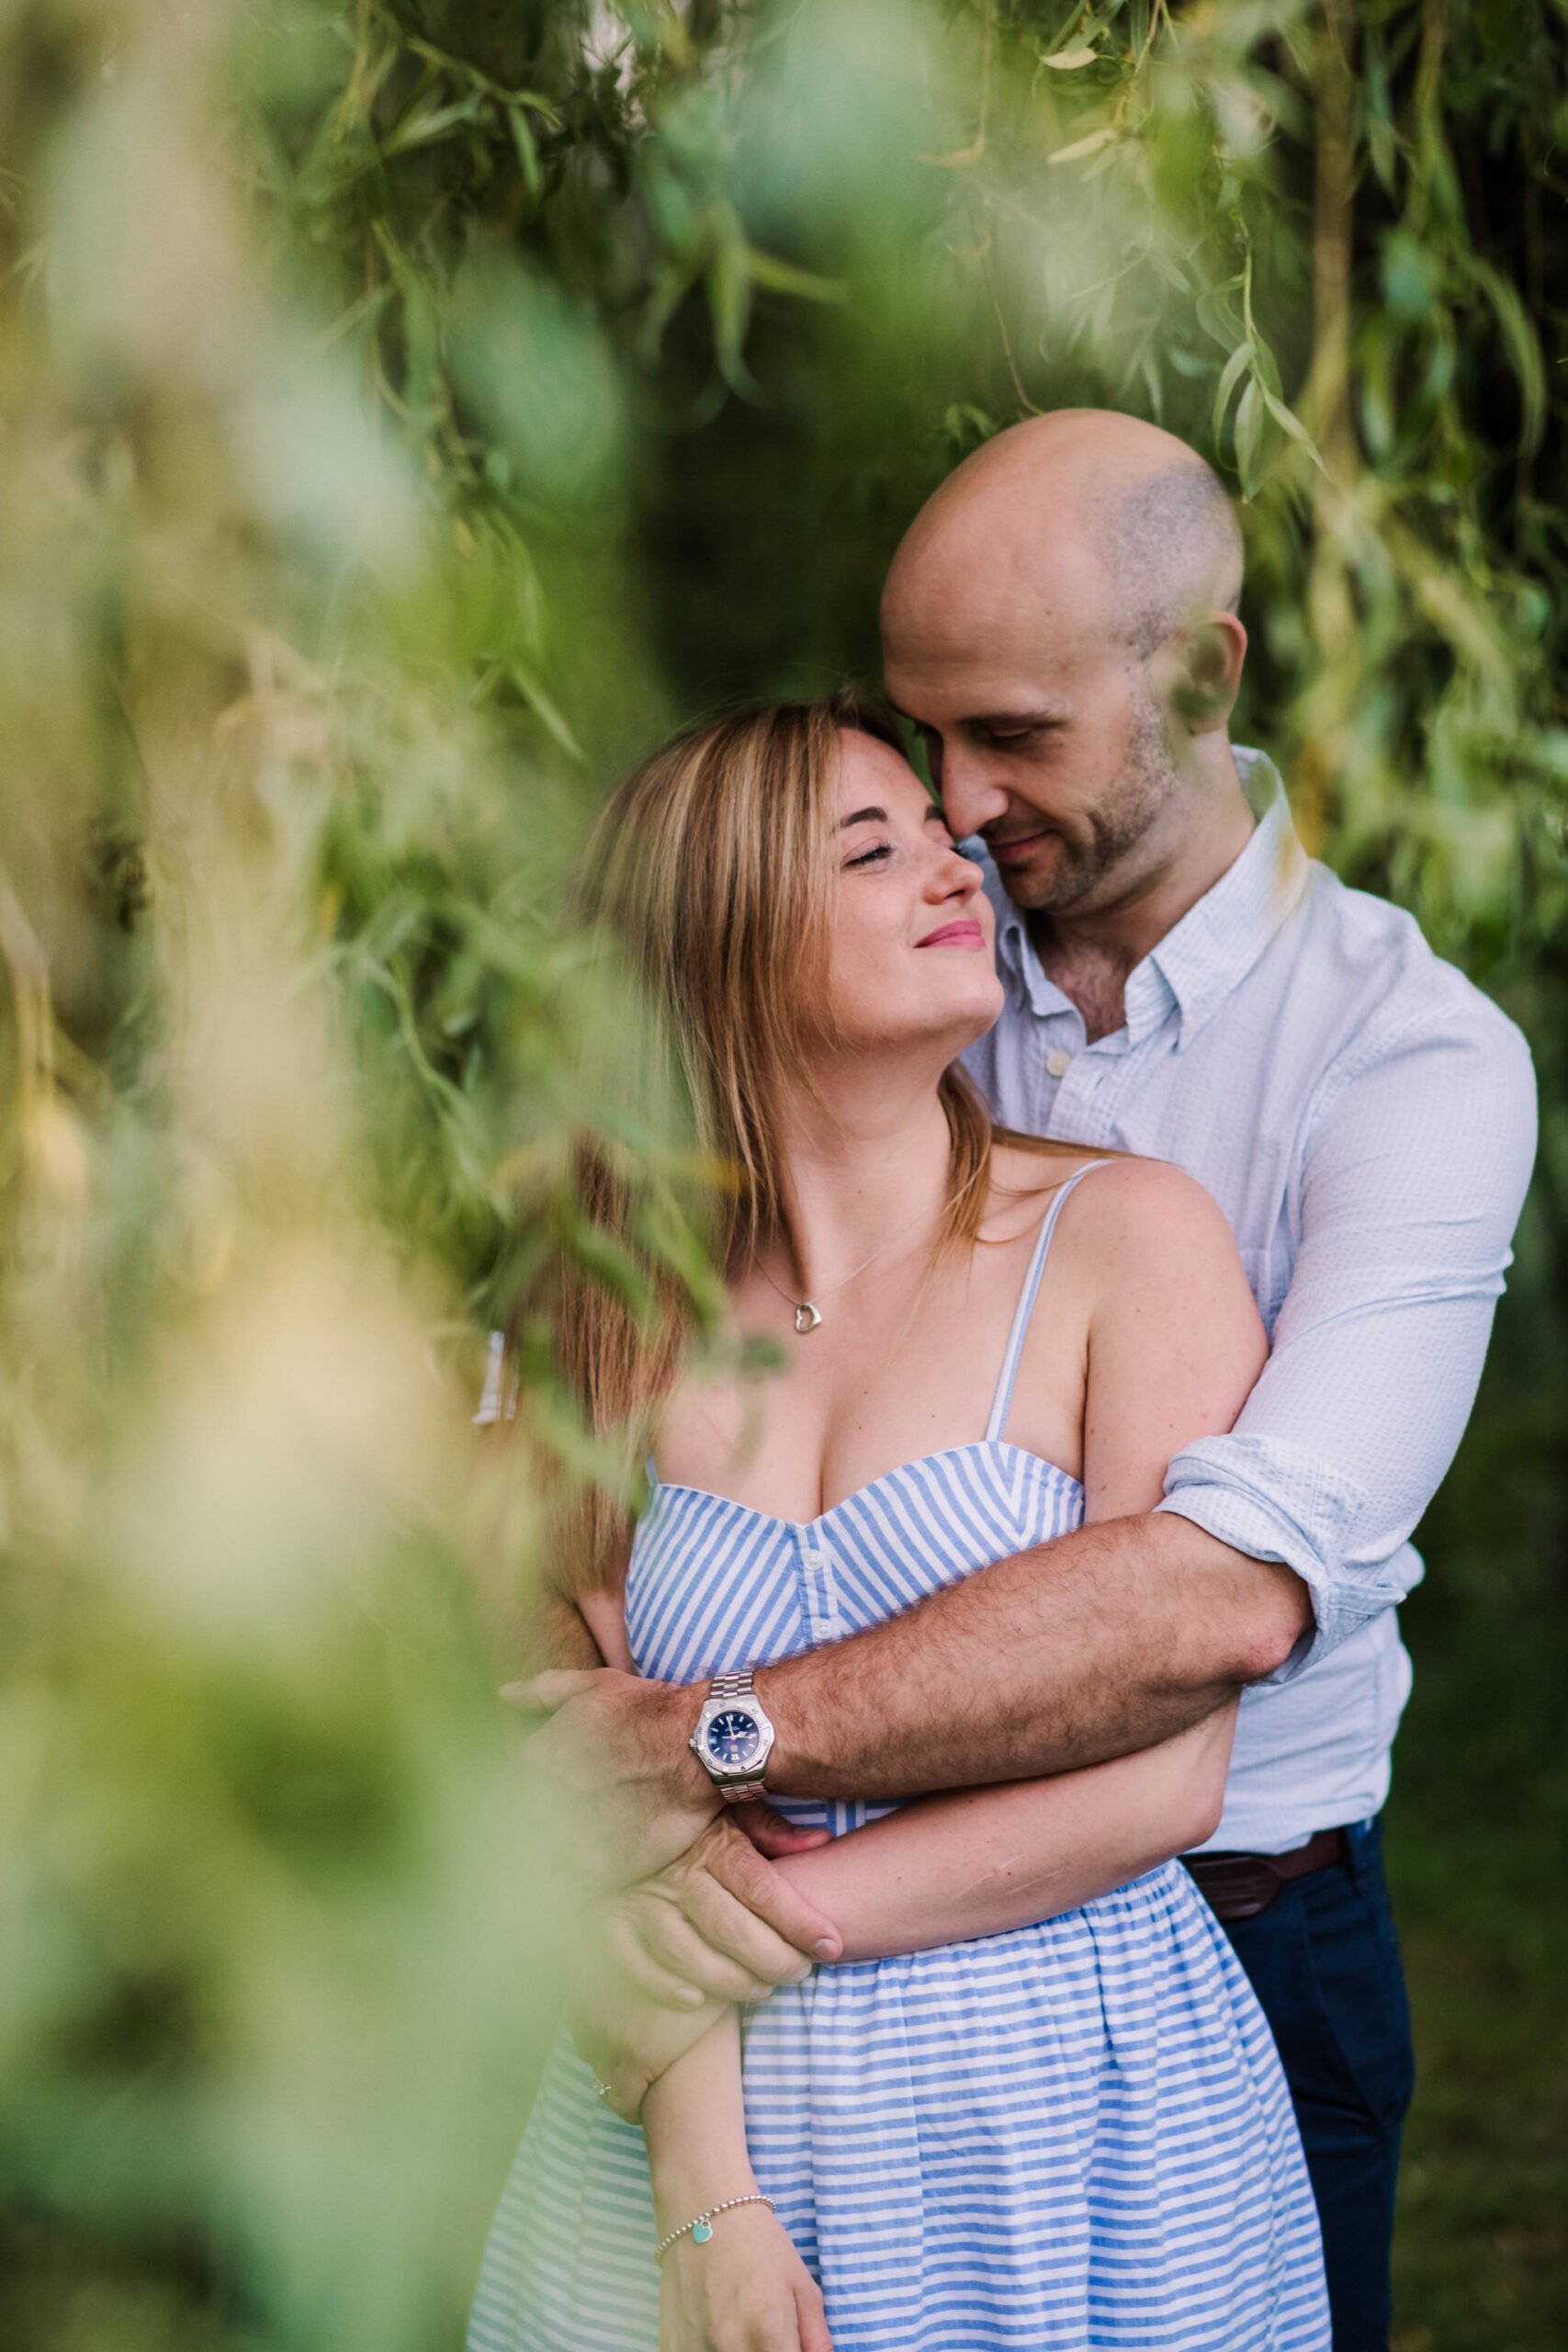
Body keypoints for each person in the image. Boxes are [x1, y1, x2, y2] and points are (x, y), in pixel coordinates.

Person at [513, 413, 1538, 2351]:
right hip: (724, 2023)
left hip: (1219, 1930)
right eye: (911, 753)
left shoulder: (1402, 1061)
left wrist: (709, 1753)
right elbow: (573, 1457)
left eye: (1008, 738)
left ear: (1198, 674)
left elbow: (1215, 1596)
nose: (959, 810)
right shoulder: (885, 1003)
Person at [469, 699, 1330, 2350]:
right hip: (679, 2125)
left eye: (937, 836)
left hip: (1068, 2100)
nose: (954, 863)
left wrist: (730, 1939)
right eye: (874, 848)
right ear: (711, 940)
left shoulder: (1123, 1241)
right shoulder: (598, 1316)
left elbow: (1169, 1775)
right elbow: (582, 1778)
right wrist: (703, 2196)